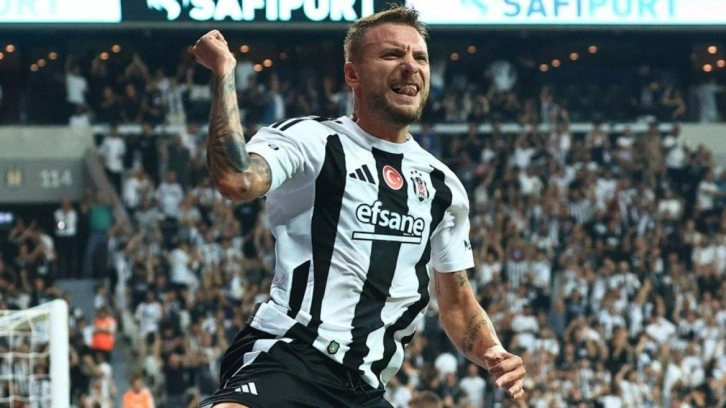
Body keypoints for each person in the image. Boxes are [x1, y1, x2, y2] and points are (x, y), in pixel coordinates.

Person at [192, 5, 526, 408]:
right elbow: (235, 178)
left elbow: (457, 303)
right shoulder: (313, 140)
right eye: (392, 54)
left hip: (366, 387)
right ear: (353, 75)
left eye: (420, 57)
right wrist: (224, 72)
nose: (410, 66)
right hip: (291, 357)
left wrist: (492, 350)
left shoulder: (444, 186)